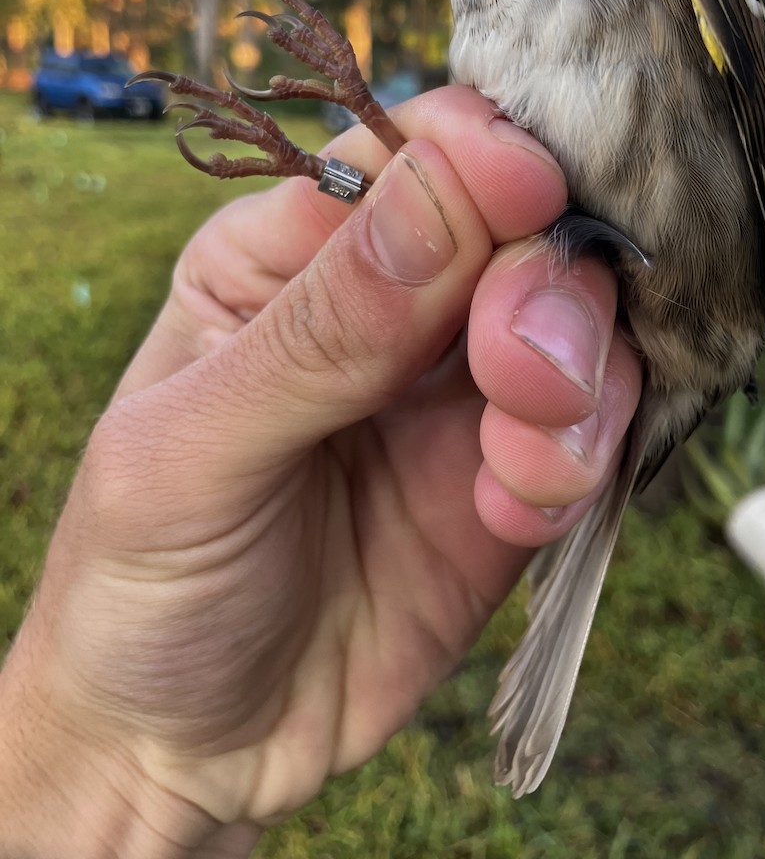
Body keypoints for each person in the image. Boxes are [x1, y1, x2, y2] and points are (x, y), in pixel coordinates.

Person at [0, 87, 641, 856]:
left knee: (440, 203)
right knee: (437, 196)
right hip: (519, 263)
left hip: (596, 263)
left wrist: (120, 764)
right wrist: (116, 753)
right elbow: (416, 198)